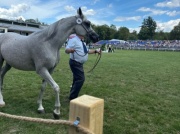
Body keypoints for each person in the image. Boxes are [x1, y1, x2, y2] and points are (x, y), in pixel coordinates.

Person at [65, 34, 101, 101]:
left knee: (76, 79)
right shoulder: (74, 40)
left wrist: (96, 51)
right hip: (75, 62)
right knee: (81, 79)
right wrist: (70, 50)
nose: (85, 35)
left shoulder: (82, 42)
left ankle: (72, 95)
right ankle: (72, 97)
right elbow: (66, 50)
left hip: (79, 63)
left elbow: (86, 51)